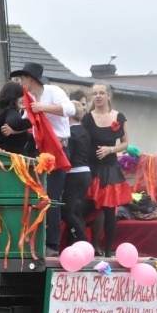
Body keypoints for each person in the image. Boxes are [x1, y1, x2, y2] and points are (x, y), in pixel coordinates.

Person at [9, 62, 75, 257]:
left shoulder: (53, 91)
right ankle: (38, 240)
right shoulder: (29, 98)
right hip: (41, 150)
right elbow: (28, 120)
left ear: (30, 78)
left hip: (57, 148)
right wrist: (14, 127)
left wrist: (42, 107)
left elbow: (70, 109)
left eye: (22, 79)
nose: (21, 83)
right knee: (39, 196)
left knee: (52, 196)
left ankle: (53, 244)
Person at [81, 81, 131, 257]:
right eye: (95, 94)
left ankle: (108, 250)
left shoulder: (119, 117)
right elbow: (81, 140)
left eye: (101, 93)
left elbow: (125, 143)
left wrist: (110, 149)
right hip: (91, 168)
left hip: (109, 168)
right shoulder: (87, 118)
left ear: (109, 96)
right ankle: (87, 245)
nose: (98, 96)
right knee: (85, 208)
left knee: (110, 211)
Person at [61, 96, 92, 245]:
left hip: (74, 174)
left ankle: (81, 239)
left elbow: (68, 156)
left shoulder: (70, 133)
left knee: (66, 210)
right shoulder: (84, 132)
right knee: (75, 209)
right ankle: (75, 241)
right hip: (85, 173)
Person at [0, 82, 32, 154]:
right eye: (21, 96)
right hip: (10, 157)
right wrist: (34, 121)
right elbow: (16, 123)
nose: (23, 99)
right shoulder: (11, 111)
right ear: (13, 97)